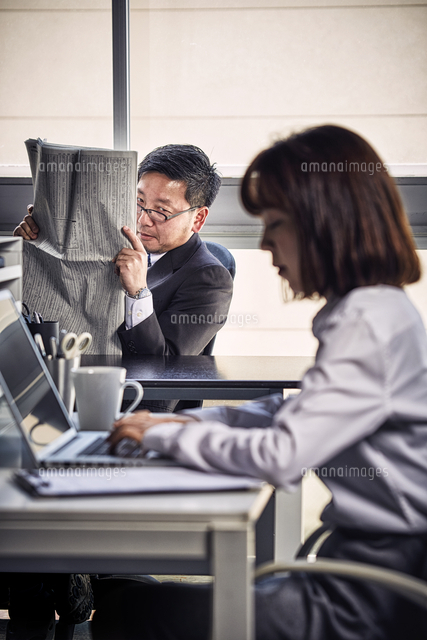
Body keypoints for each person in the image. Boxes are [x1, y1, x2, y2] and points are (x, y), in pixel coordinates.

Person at [91, 125, 427, 640]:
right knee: (126, 596)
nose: (265, 242)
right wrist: (164, 422)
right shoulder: (369, 307)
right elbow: (284, 413)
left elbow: (281, 453)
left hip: (371, 592)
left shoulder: (365, 321)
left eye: (275, 223)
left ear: (324, 225)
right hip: (364, 564)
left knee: (127, 610)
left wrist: (165, 435)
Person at [14, 144, 234, 412]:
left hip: (128, 409)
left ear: (198, 218)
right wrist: (38, 242)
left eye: (161, 211)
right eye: (139, 202)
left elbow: (162, 370)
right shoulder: (107, 241)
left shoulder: (210, 279)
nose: (143, 220)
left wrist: (139, 293)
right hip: (62, 386)